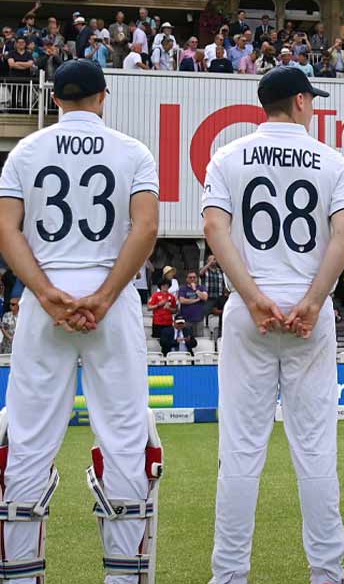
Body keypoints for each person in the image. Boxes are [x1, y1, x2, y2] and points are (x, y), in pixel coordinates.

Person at [0, 60, 162, 581]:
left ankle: (21, 573)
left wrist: (45, 294)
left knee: (27, 440)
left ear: (55, 101)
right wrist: (106, 294)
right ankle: (122, 573)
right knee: (124, 439)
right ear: (103, 96)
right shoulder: (133, 151)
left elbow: (7, 229)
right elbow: (146, 227)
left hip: (44, 302)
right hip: (110, 303)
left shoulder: (26, 151)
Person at [202, 66, 344, 584]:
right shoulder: (332, 161)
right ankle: (327, 572)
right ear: (298, 101)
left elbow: (214, 229)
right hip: (307, 314)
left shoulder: (227, 157)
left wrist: (251, 298)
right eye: (310, 98)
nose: (312, 104)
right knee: (315, 447)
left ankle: (228, 574)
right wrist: (314, 301)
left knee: (241, 450)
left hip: (252, 311)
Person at [176, 270, 209, 344]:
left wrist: (195, 289)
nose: (192, 279)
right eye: (190, 277)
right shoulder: (183, 289)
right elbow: (182, 300)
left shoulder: (201, 288)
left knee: (199, 341)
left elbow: (205, 297)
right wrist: (197, 300)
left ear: (197, 279)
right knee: (187, 340)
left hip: (199, 319)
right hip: (186, 320)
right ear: (187, 279)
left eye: (194, 277)